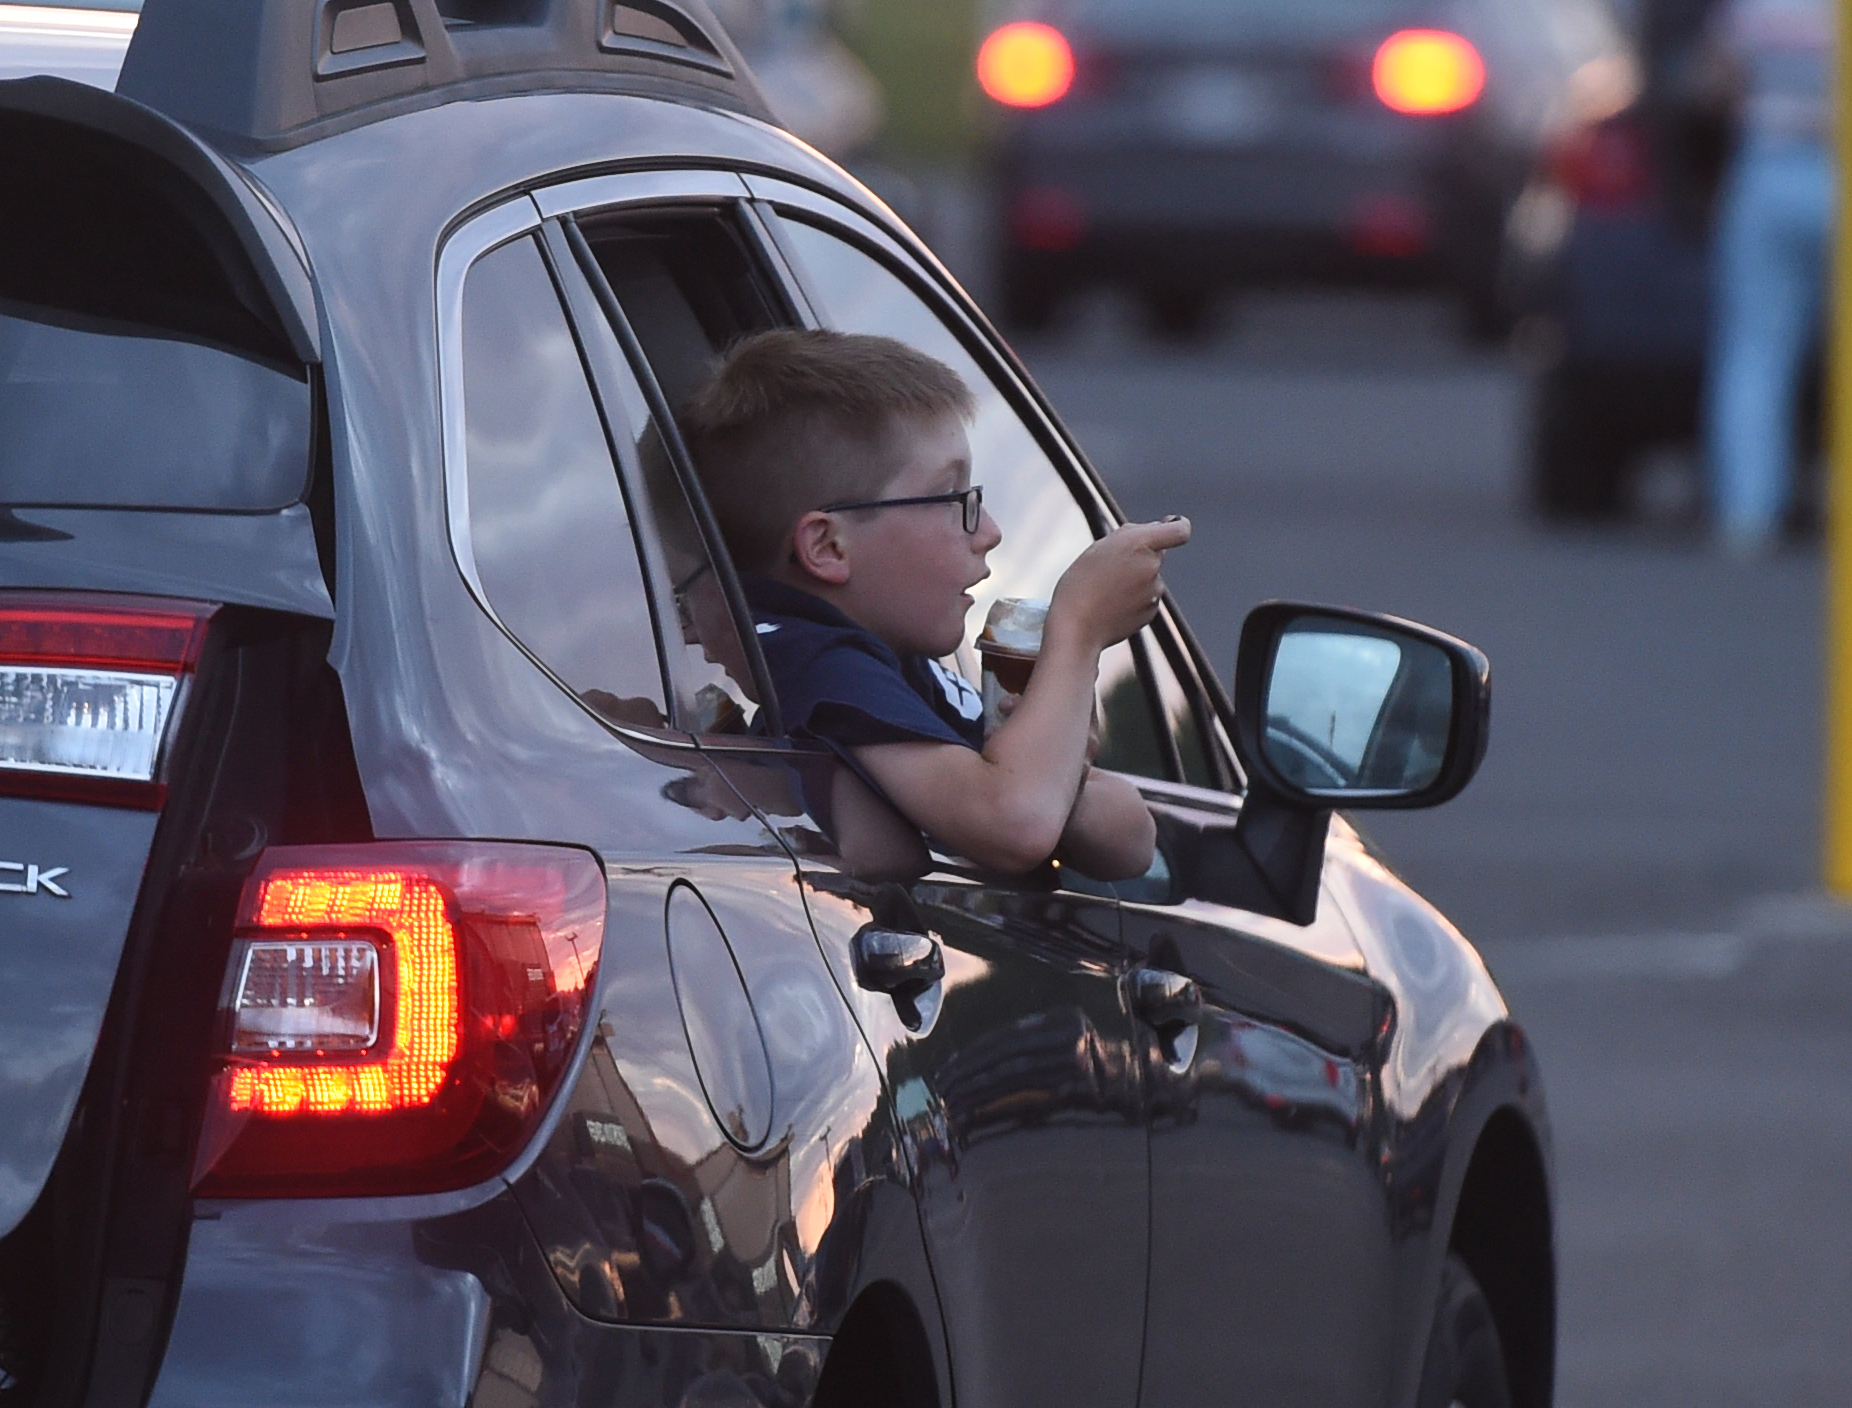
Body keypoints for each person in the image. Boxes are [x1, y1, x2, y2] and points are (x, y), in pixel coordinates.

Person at [681, 328, 1189, 881]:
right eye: (957, 501)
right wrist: (1080, 629)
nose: (989, 532)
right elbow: (1015, 826)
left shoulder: (894, 667)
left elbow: (1132, 842)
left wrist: (1056, 770)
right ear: (828, 546)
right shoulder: (814, 661)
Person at [1702, 0, 1834, 554]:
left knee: (1756, 351)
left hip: (1770, 169)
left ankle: (1748, 513)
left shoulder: (1758, 7)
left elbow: (1713, 81)